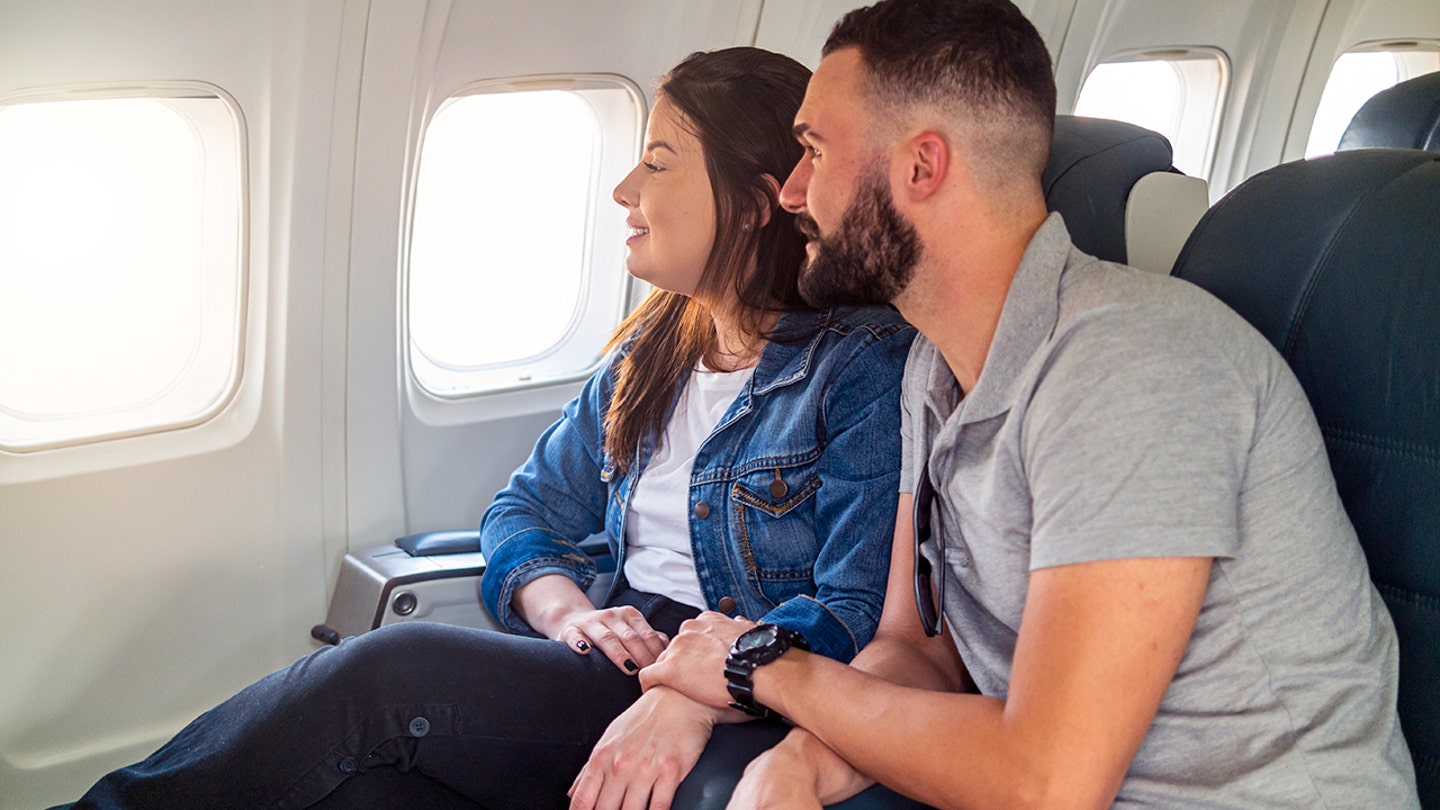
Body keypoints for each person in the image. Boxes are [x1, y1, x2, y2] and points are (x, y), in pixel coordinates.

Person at [58, 47, 914, 810]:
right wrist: (572, 617)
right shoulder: (654, 347)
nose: (625, 190)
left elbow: (849, 608)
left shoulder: (857, 364)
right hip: (614, 649)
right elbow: (522, 512)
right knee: (368, 790)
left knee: (386, 675)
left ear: (757, 203)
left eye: (657, 163)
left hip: (736, 677)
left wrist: (694, 686)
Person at [640, 1, 1422, 807]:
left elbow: (1047, 782)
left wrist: (765, 667)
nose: (795, 192)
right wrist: (799, 764)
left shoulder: (1130, 370)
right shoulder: (932, 372)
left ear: (921, 167)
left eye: (814, 150)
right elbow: (921, 655)